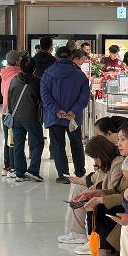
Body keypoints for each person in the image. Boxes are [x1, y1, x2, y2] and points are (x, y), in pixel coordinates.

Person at [57, 116, 128, 246]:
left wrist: (93, 193)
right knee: (80, 192)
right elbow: (98, 178)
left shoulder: (117, 161)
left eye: (122, 139)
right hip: (110, 193)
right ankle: (79, 233)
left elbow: (112, 188)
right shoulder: (110, 159)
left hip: (117, 198)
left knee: (88, 198)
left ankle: (91, 238)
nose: (119, 143)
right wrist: (88, 190)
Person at [74, 136, 128, 256]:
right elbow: (103, 185)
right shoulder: (111, 163)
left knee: (104, 206)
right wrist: (93, 193)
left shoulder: (118, 162)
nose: (95, 162)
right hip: (122, 198)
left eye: (95, 157)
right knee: (99, 205)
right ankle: (103, 255)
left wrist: (98, 195)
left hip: (126, 201)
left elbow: (114, 188)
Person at [40, 47, 90, 184]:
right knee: (76, 144)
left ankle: (63, 174)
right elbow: (84, 96)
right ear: (70, 57)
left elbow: (45, 96)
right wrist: (74, 110)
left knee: (58, 145)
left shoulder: (48, 73)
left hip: (55, 117)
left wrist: (56, 110)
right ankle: (80, 172)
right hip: (73, 118)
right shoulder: (79, 74)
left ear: (56, 56)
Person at [7, 55, 44, 183]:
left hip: (16, 117)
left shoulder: (14, 79)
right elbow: (42, 99)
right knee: (38, 142)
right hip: (31, 116)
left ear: (20, 67)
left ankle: (19, 173)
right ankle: (33, 170)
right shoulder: (37, 81)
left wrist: (11, 112)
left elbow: (9, 98)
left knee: (18, 145)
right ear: (34, 68)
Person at [0, 50, 22, 178]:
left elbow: (3, 93)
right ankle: (13, 167)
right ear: (17, 61)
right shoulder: (16, 75)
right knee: (14, 140)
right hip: (13, 112)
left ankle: (7, 166)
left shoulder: (5, 73)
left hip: (5, 111)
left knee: (8, 139)